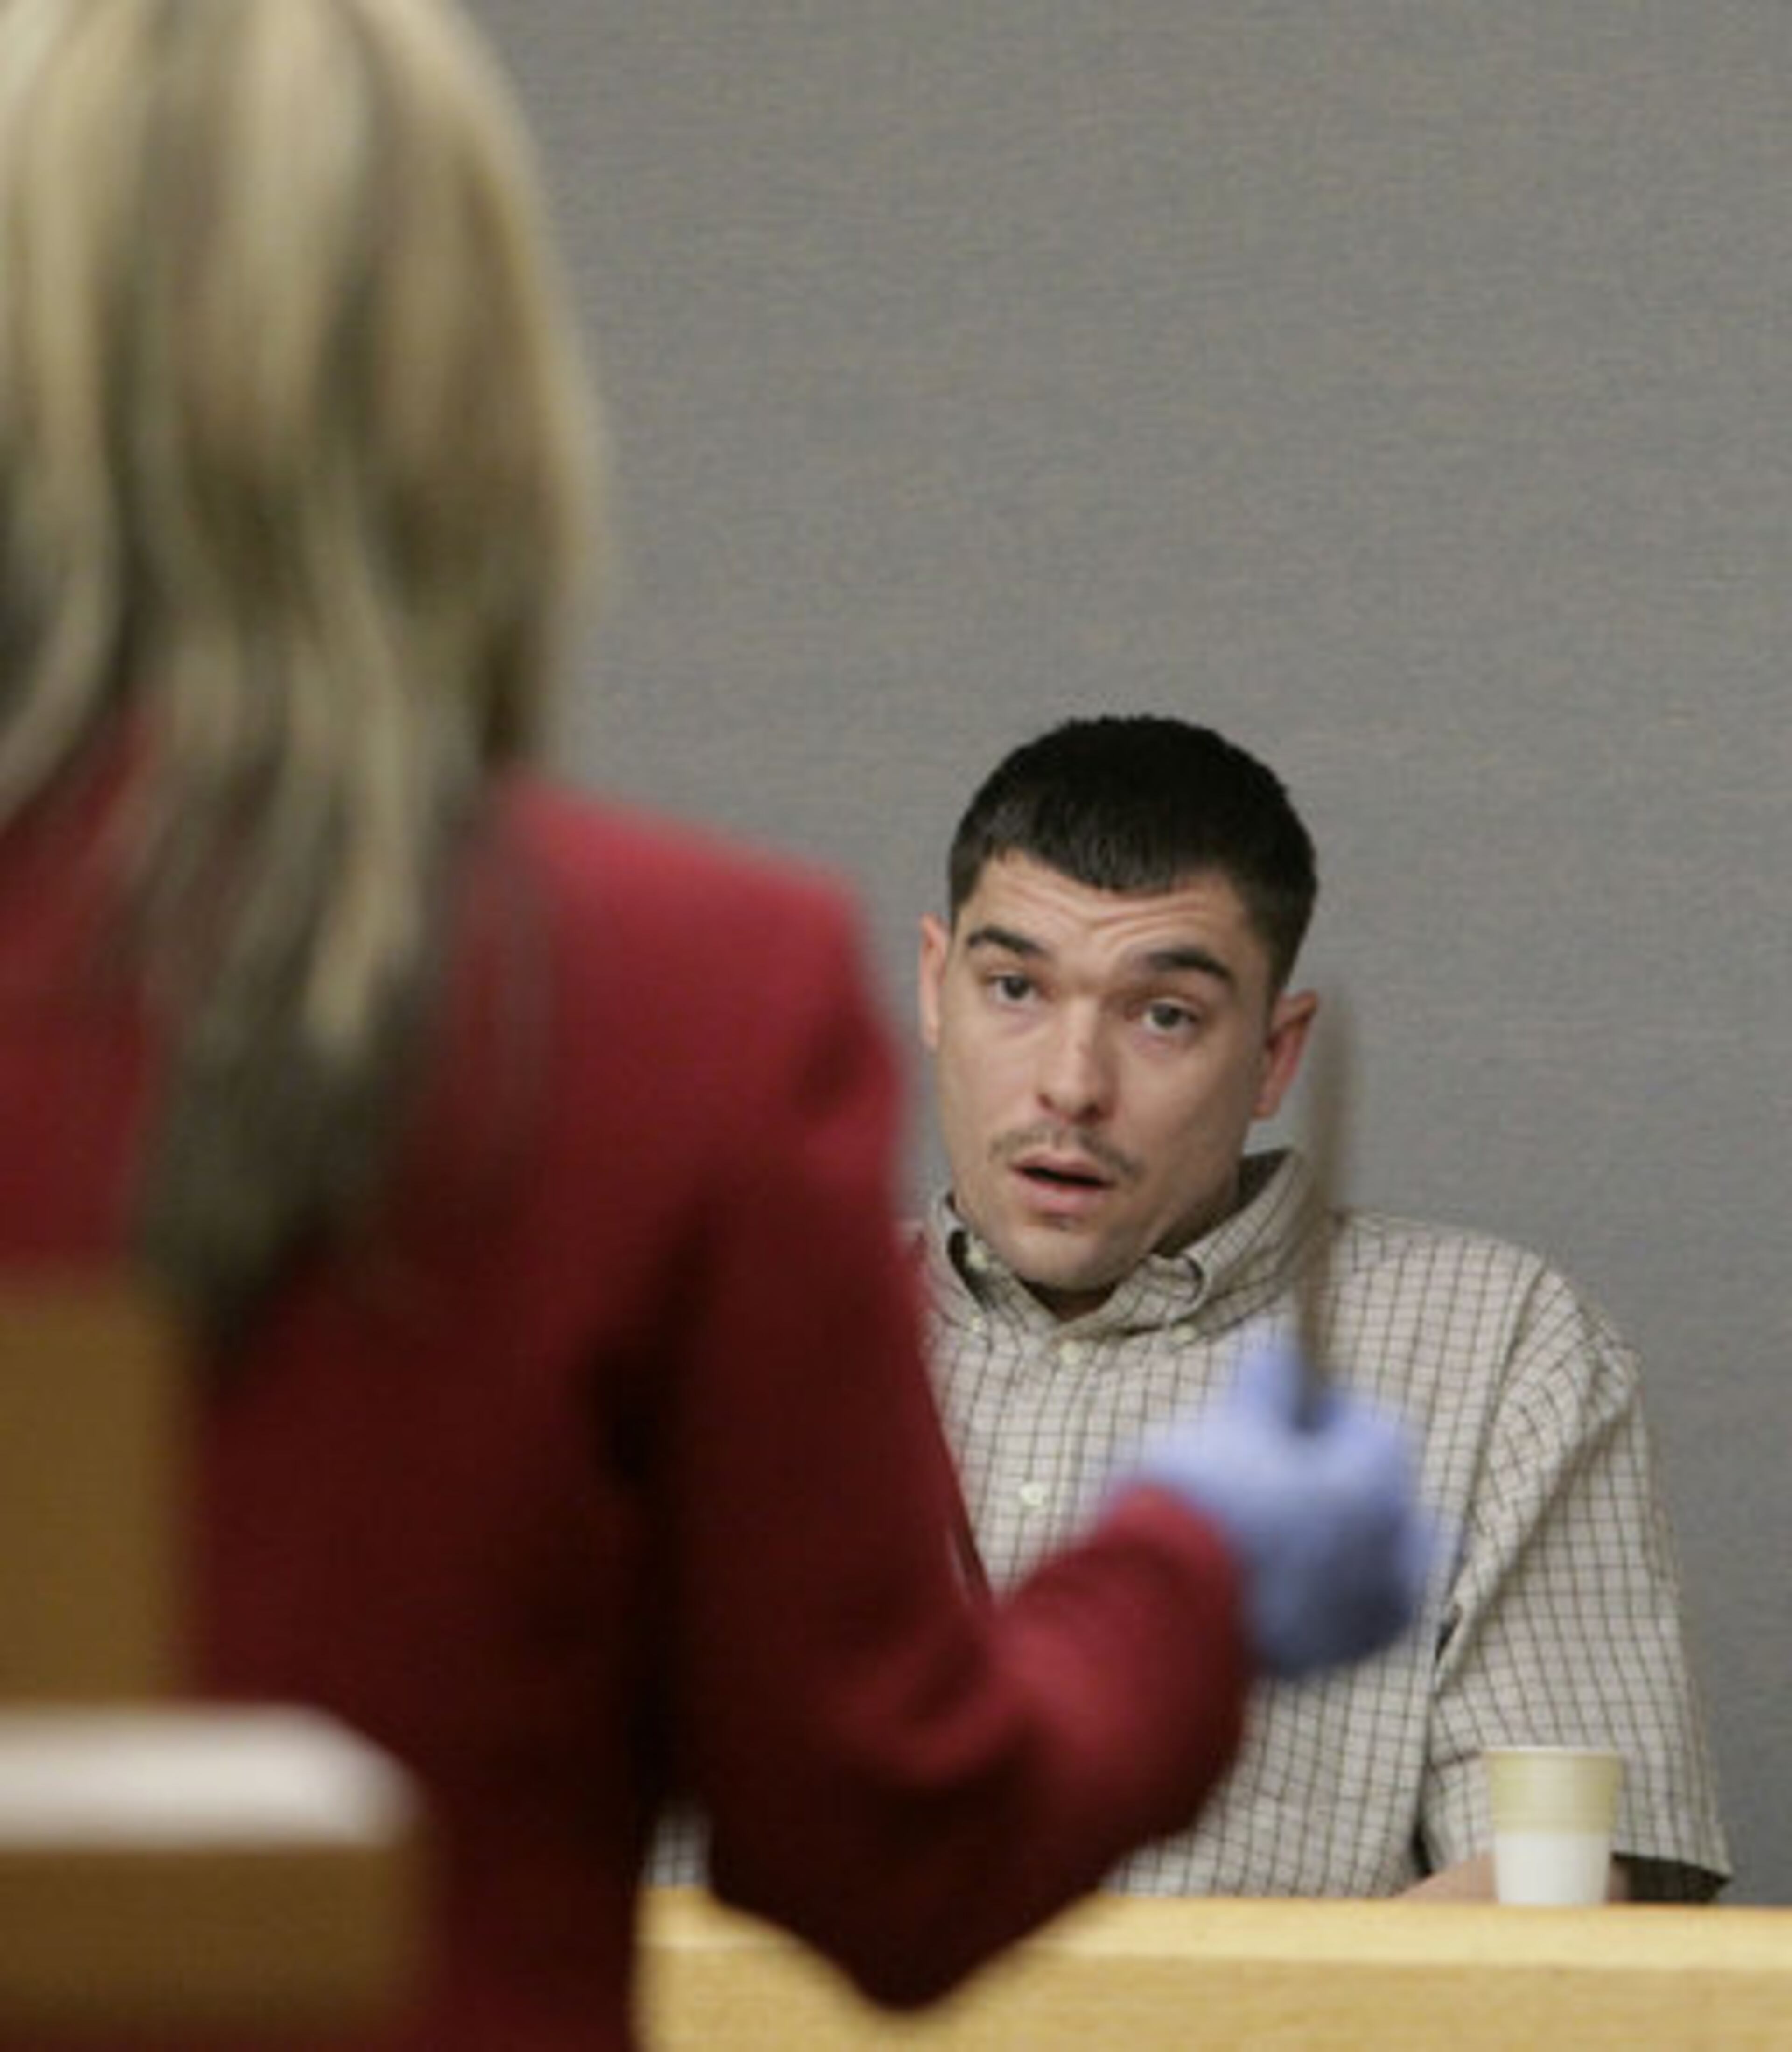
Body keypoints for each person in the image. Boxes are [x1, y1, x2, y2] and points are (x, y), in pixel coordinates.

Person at [0, 5, 1432, 2047]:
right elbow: (892, 1841)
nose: (1075, 1071)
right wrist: (1194, 1578)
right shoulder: (670, 1001)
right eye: (1017, 984)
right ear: (470, 385)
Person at [916, 713, 1733, 1904]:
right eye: (1013, 989)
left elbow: (1559, 1893)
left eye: (1165, 1016)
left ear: (1274, 1055)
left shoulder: (1495, 1348)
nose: (1071, 1085)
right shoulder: (727, 1343)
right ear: (934, 988)